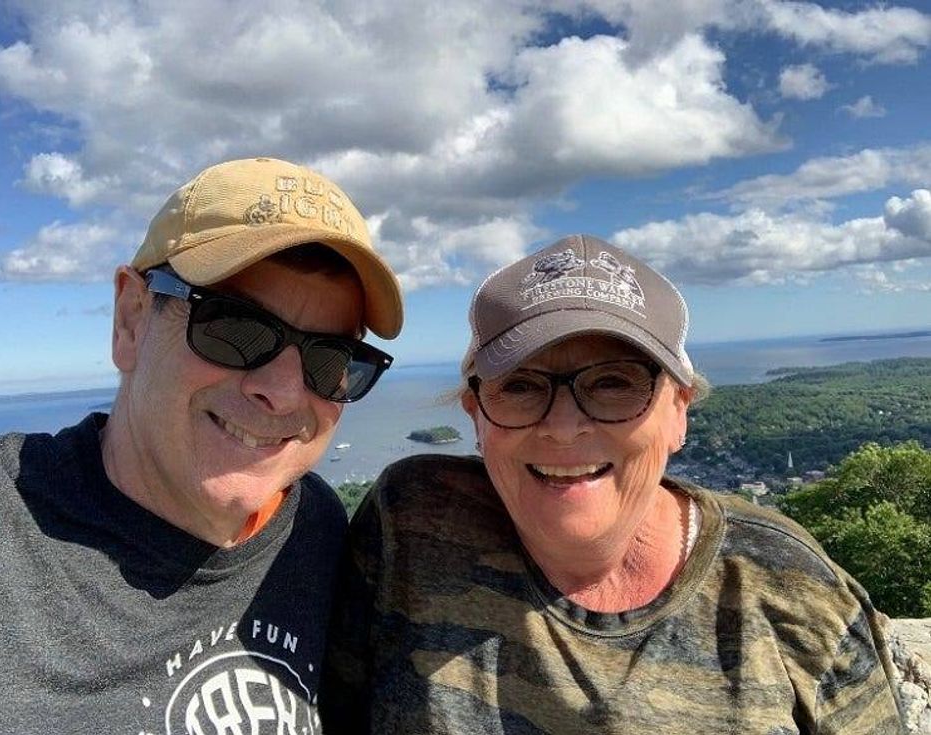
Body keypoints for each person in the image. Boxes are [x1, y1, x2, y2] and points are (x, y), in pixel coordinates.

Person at [320, 234, 903, 734]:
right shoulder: (413, 526)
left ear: (680, 409)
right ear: (476, 414)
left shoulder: (789, 590)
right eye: (522, 386)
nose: (565, 426)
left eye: (615, 382)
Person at [0, 157, 403, 733]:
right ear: (131, 320)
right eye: (234, 327)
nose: (284, 392)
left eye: (329, 358)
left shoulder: (311, 526)